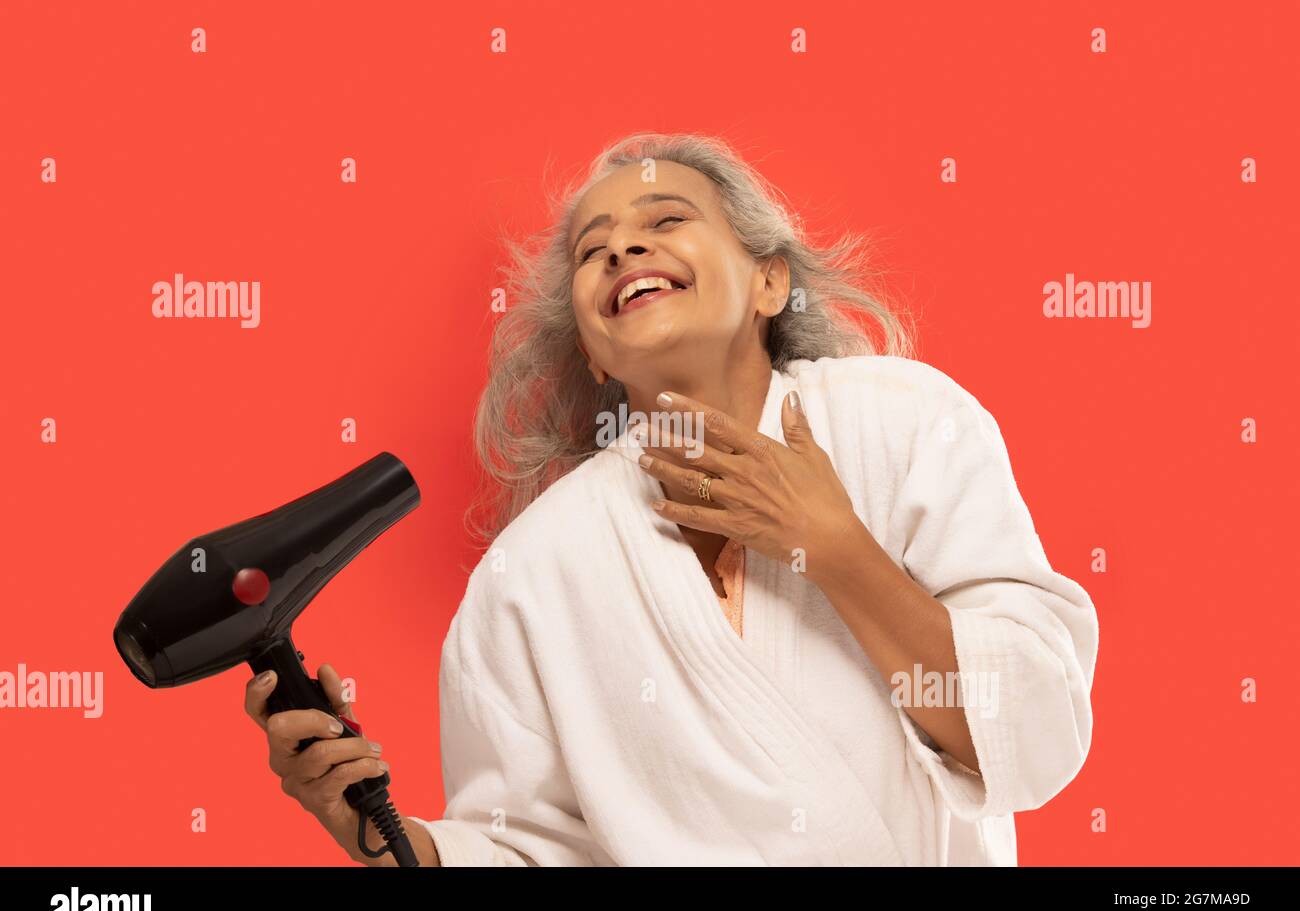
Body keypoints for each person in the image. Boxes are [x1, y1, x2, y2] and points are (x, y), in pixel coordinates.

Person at [244, 131, 1100, 866]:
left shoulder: (908, 423)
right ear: (595, 353)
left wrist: (835, 547)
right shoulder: (532, 572)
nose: (622, 251)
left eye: (666, 222)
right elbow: (525, 849)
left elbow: (1030, 735)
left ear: (769, 284)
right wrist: (380, 831)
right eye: (594, 250)